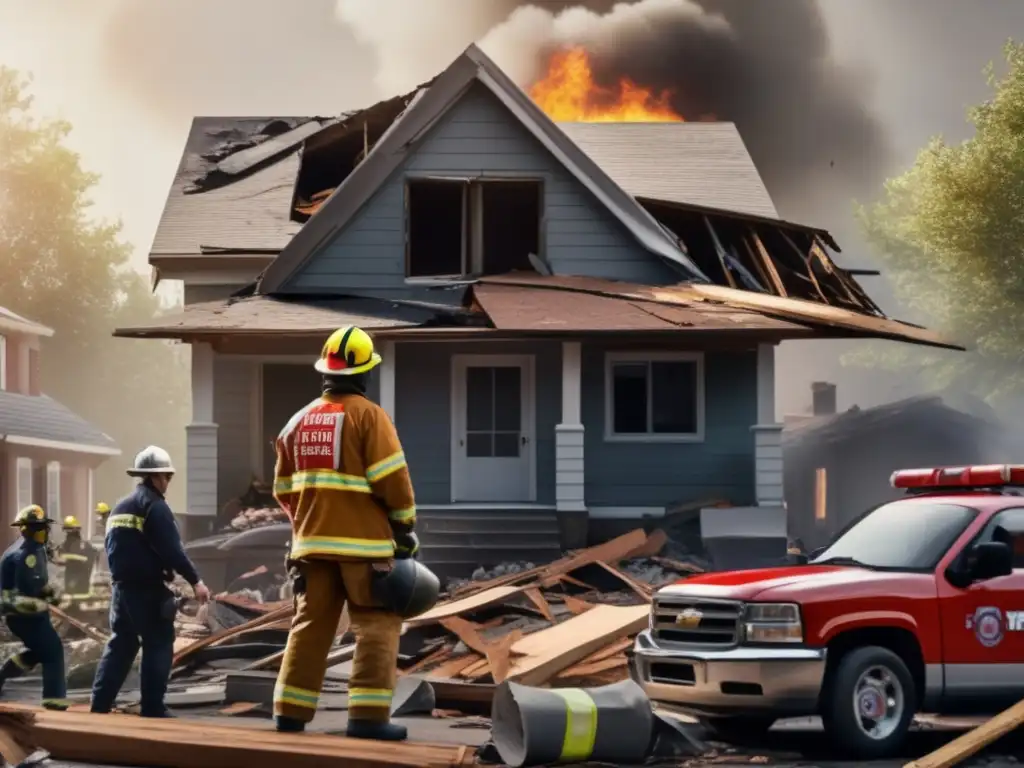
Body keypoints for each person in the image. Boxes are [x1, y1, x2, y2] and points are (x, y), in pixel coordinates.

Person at [273, 326, 418, 741]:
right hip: (364, 547)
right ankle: (368, 719)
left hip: (311, 545)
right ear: (366, 372)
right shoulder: (368, 416)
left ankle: (289, 712)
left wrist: (308, 527)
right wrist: (404, 530)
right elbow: (393, 482)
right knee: (376, 623)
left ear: (326, 371)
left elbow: (283, 491)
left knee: (310, 624)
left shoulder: (295, 422)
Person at [90, 445, 211, 718]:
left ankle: (99, 704)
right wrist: (196, 582)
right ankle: (153, 707)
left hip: (121, 589)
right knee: (158, 641)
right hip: (146, 589)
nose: (168, 482)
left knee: (122, 643)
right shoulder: (155, 507)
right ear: (156, 477)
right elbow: (172, 550)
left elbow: (113, 548)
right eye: (166, 477)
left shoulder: (120, 507)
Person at [0, 505, 69, 709]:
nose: (44, 532)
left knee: (40, 651)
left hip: (34, 616)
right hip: (20, 616)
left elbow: (36, 584)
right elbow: (12, 597)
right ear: (27, 530)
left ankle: (3, 674)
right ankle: (55, 702)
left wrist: (50, 594)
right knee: (53, 651)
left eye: (44, 528)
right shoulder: (22, 554)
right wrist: (38, 605)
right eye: (39, 528)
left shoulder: (36, 550)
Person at [56, 516, 98, 601]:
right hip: (76, 586)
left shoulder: (83, 546)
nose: (68, 534)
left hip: (79, 584)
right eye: (67, 531)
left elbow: (89, 561)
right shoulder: (66, 545)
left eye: (69, 531)